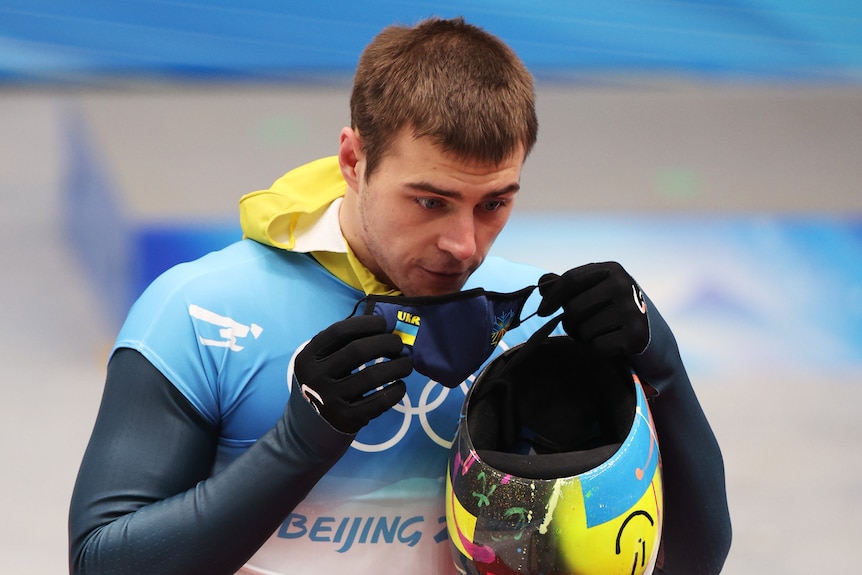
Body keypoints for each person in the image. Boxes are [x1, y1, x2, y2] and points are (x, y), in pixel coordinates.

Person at [68, 16, 731, 575]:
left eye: (494, 203)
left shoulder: (531, 320)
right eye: (430, 201)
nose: (465, 245)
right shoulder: (201, 310)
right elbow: (100, 561)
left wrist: (660, 363)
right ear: (353, 160)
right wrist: (300, 442)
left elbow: (689, 560)